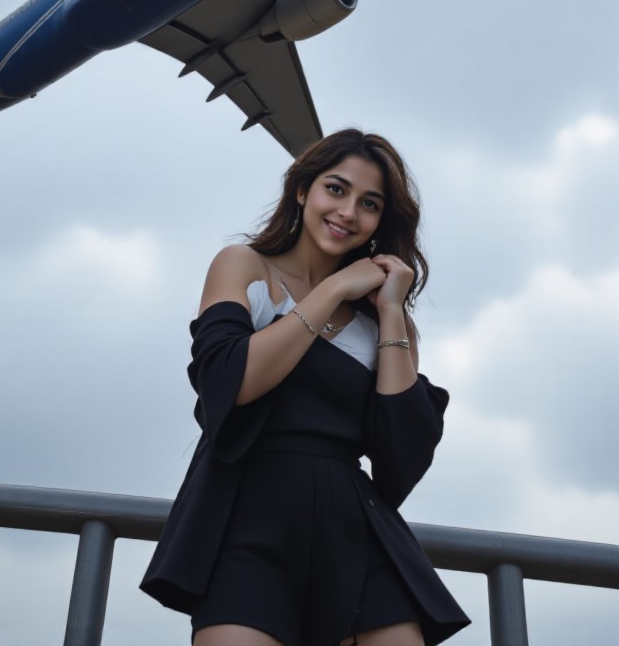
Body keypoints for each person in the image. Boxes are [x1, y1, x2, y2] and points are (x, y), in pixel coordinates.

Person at [141, 129, 470, 646]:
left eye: (370, 203)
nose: (347, 212)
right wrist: (334, 288)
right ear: (302, 191)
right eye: (335, 190)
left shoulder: (388, 322)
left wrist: (389, 314)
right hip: (246, 522)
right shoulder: (244, 267)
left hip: (356, 532)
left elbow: (400, 458)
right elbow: (230, 384)